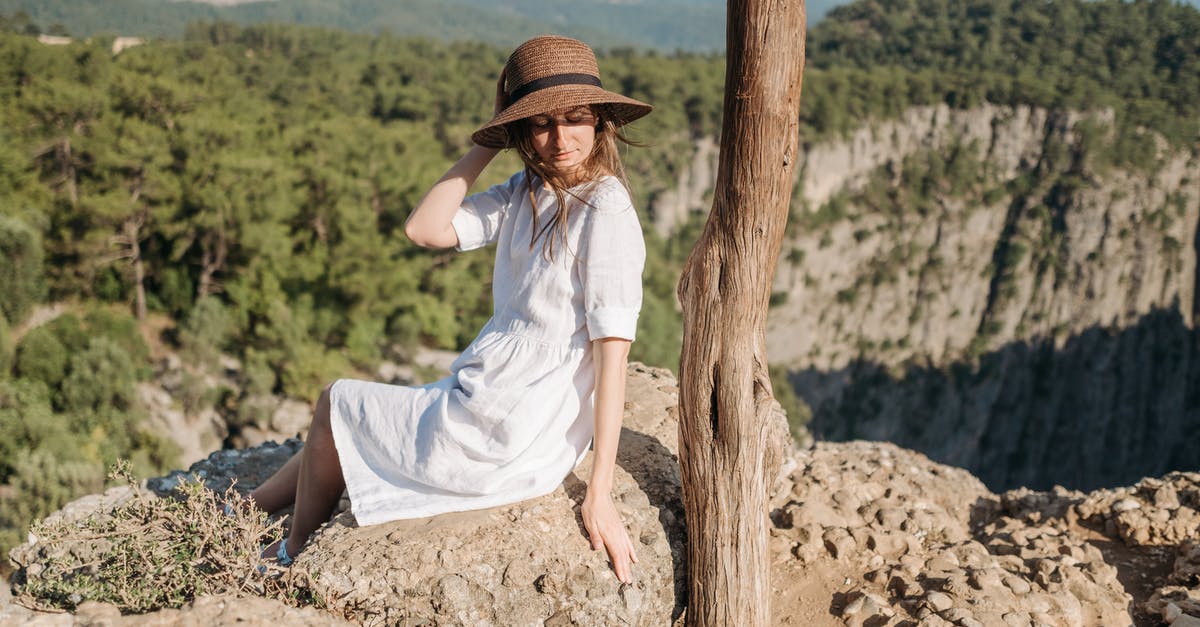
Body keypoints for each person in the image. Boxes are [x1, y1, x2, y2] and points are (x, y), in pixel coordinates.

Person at [239, 35, 652, 584]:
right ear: (521, 133)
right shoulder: (526, 191)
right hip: (495, 398)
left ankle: (291, 554)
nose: (559, 139)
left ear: (600, 120)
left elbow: (612, 353)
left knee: (336, 401)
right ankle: (243, 511)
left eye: (575, 119)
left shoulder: (607, 208)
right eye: (539, 124)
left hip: (514, 425)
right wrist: (490, 139)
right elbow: (424, 228)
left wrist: (599, 493)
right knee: (351, 420)